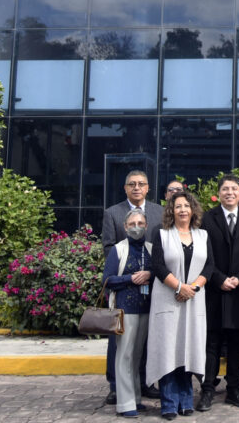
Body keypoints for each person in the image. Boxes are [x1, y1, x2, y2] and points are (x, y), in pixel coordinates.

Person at [146, 191, 213, 420]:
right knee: (168, 351)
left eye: (186, 206)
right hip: (168, 300)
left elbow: (209, 266)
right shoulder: (162, 234)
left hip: (194, 300)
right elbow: (157, 265)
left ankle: (186, 400)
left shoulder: (202, 235)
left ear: (193, 210)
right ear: (171, 211)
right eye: (178, 206)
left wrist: (192, 288)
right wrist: (179, 287)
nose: (182, 210)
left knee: (188, 350)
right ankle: (169, 403)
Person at [102, 170, 164, 405]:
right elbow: (108, 247)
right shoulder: (112, 212)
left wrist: (151, 273)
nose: (137, 187)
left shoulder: (159, 212)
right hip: (124, 293)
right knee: (120, 346)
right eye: (132, 184)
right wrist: (128, 273)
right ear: (125, 188)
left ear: (148, 188)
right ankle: (116, 387)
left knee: (144, 344)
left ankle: (143, 384)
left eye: (141, 184)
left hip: (149, 292)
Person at [198, 175, 239, 410]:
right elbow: (202, 255)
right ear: (219, 193)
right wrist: (219, 278)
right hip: (214, 290)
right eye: (225, 189)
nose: (230, 192)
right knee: (211, 343)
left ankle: (234, 388)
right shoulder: (206, 218)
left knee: (236, 344)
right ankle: (207, 390)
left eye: (234, 189)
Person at [103, 209, 154, 417]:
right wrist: (130, 279)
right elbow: (107, 280)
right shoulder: (118, 250)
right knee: (124, 355)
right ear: (125, 227)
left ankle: (136, 398)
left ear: (146, 226)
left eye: (140, 223)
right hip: (125, 310)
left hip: (146, 309)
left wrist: (149, 274)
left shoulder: (151, 249)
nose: (136, 227)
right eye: (132, 224)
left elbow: (159, 273)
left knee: (137, 356)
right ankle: (125, 403)